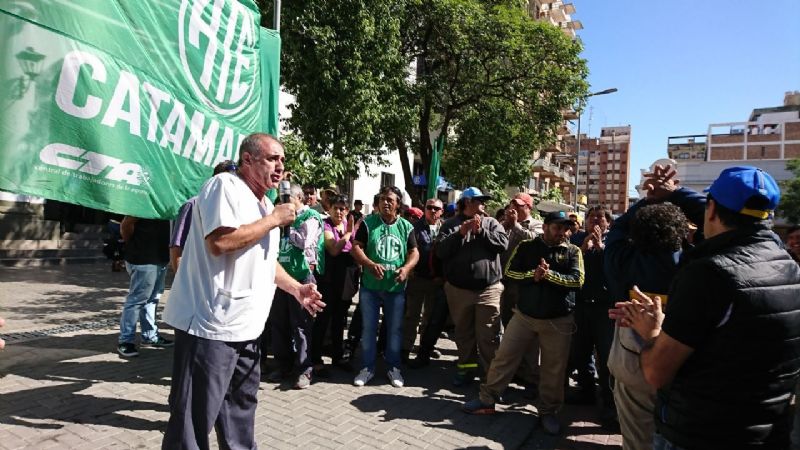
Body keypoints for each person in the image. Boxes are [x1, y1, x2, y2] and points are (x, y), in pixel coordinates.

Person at [617, 166, 800, 449]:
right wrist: (677, 194)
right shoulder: (787, 265)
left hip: (699, 433)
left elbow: (656, 372)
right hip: (768, 433)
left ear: (712, 209)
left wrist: (652, 330)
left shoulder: (709, 274)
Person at [161, 133, 325, 449]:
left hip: (247, 329)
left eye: (283, 160)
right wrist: (275, 219)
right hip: (211, 329)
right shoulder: (224, 186)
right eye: (272, 159)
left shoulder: (264, 203)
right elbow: (221, 242)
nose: (281, 167)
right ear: (247, 160)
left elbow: (264, 260)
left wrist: (295, 289)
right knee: (193, 423)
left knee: (240, 411)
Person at [463, 211, 583, 436]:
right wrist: (532, 275)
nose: (562, 232)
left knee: (553, 370)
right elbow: (510, 273)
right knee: (503, 357)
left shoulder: (573, 251)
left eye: (565, 228)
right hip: (524, 316)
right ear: (546, 227)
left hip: (558, 321)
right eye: (558, 227)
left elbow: (578, 280)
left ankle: (548, 411)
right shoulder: (527, 247)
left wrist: (548, 276)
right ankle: (487, 400)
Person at [605, 199, 695, 450]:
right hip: (677, 361)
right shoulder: (694, 264)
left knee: (635, 439)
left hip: (630, 360)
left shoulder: (620, 259)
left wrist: (648, 199)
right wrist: (673, 194)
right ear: (682, 231)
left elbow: (616, 229)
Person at [436, 187, 508, 386]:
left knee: (489, 336)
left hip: (488, 290)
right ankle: (466, 371)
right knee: (464, 333)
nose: (483, 205)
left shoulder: (492, 223)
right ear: (466, 203)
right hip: (459, 291)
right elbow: (441, 251)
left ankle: (490, 378)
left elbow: (503, 245)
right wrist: (461, 233)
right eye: (479, 201)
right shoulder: (450, 225)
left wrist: (482, 232)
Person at [350, 186, 419, 388]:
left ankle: (393, 368)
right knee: (369, 329)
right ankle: (367, 368)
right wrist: (369, 264)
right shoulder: (368, 223)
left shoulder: (407, 227)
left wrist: (406, 269)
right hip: (370, 288)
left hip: (395, 289)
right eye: (382, 199)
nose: (385, 203)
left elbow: (414, 252)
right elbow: (356, 247)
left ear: (398, 204)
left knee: (395, 330)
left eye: (390, 200)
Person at [266, 183, 325, 389]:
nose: (283, 203)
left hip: (301, 278)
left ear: (298, 198)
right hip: (281, 278)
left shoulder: (310, 217)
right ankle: (283, 366)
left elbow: (304, 243)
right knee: (279, 324)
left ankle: (304, 370)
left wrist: (288, 226)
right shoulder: (281, 216)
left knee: (301, 326)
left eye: (287, 199)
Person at [566, 206, 615, 418]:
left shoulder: (615, 243)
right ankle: (586, 391)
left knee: (606, 355)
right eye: (591, 217)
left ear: (608, 222)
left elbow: (616, 271)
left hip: (605, 308)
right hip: (582, 304)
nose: (595, 220)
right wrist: (584, 249)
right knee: (580, 351)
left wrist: (602, 248)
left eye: (600, 217)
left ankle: (608, 401)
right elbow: (569, 267)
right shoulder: (577, 240)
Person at [311, 194, 359, 374]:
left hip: (347, 279)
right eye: (336, 208)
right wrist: (348, 234)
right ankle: (315, 358)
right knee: (323, 320)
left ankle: (338, 357)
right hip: (329, 280)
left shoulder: (352, 227)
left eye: (343, 208)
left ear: (347, 210)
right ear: (329, 209)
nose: (339, 212)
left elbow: (356, 251)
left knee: (340, 319)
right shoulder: (326, 225)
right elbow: (333, 249)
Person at [500, 193, 542, 391]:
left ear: (528, 208)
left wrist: (516, 226)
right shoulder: (504, 223)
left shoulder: (536, 225)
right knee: (509, 330)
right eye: (512, 204)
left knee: (529, 333)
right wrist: (505, 226)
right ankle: (514, 371)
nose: (514, 208)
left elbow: (533, 242)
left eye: (519, 205)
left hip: (525, 285)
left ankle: (531, 376)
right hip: (506, 283)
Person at [116, 215, 171, 357]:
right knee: (136, 300)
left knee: (153, 298)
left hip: (160, 257)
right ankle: (125, 340)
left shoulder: (167, 201)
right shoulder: (143, 201)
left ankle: (150, 336)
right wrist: (134, 245)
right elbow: (126, 225)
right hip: (143, 258)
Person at [169, 160, 236, 272]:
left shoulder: (237, 208)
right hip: (195, 278)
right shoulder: (193, 205)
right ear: (214, 180)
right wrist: (181, 280)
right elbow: (177, 246)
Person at [403, 198, 444, 364]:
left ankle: (425, 348)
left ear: (441, 211)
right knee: (412, 315)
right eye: (429, 208)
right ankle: (405, 348)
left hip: (436, 280)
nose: (433, 211)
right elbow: (409, 250)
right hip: (418, 279)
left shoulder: (445, 228)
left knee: (430, 317)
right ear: (425, 209)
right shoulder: (415, 228)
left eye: (436, 208)